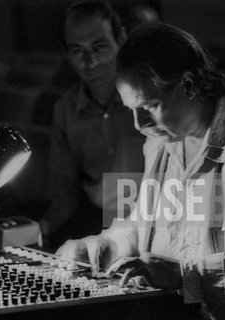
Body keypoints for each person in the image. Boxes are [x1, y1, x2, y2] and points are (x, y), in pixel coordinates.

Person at [56, 23, 225, 319]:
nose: (138, 124)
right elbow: (146, 223)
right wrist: (108, 244)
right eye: (131, 108)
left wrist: (185, 275)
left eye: (150, 106)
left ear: (190, 84)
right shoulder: (160, 140)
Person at [39, 0, 145, 247]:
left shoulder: (149, 98)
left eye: (99, 47)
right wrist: (38, 229)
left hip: (154, 222)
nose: (91, 61)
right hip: (96, 223)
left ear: (121, 39)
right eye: (78, 51)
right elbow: (65, 195)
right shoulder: (66, 109)